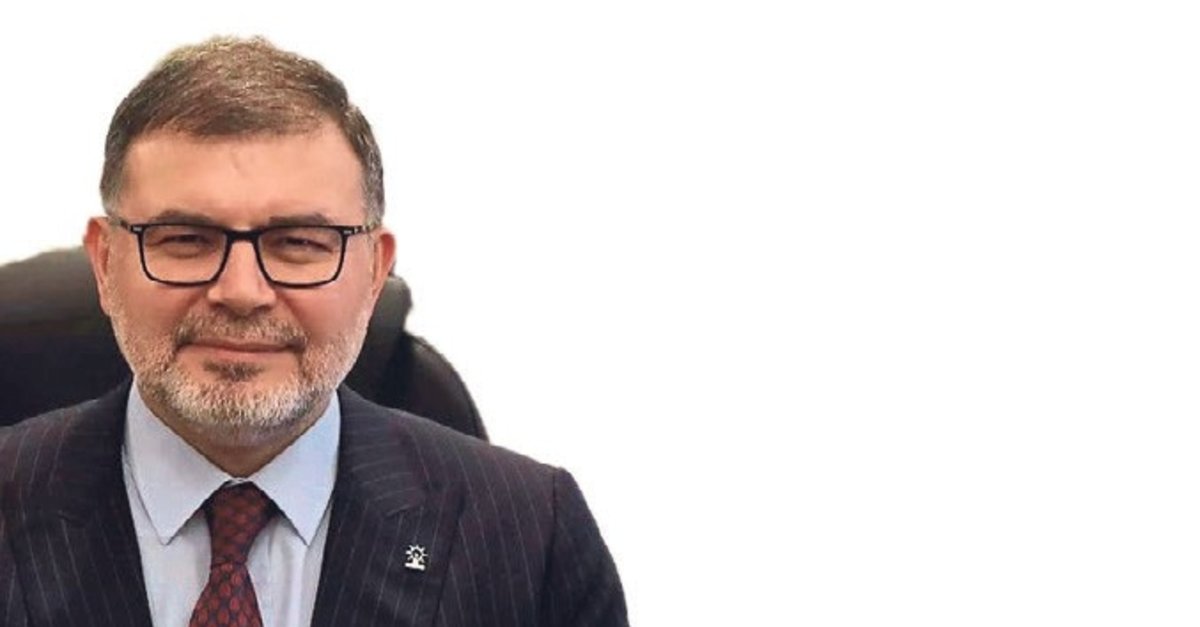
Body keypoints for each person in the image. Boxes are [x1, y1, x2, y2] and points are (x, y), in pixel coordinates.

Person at [0, 36, 627, 627]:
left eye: (299, 243)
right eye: (186, 240)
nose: (242, 292)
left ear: (375, 270)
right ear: (105, 263)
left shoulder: (532, 537)